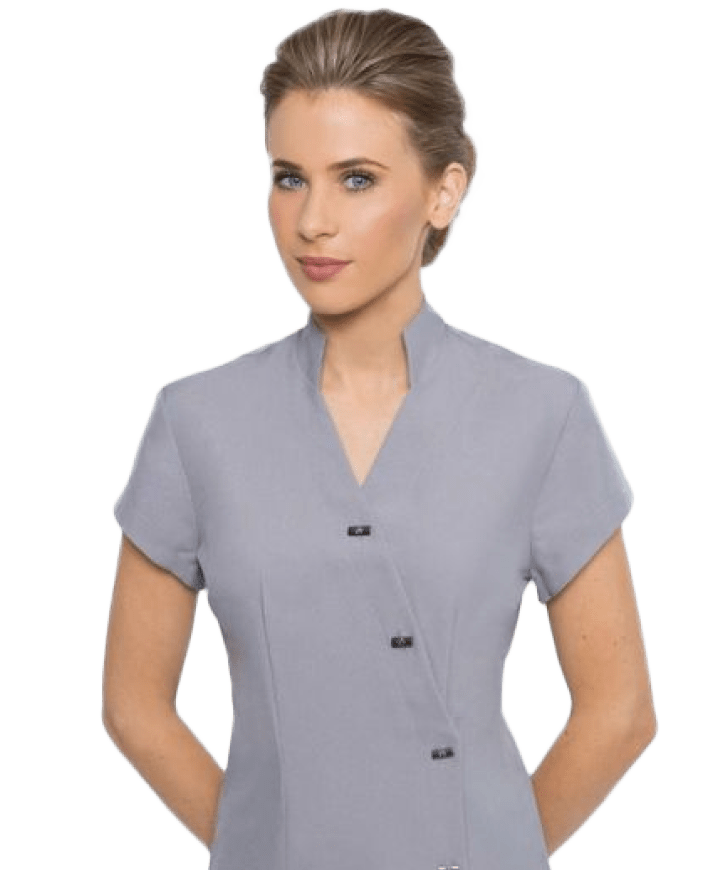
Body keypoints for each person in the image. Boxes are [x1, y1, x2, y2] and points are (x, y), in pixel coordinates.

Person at [101, 5, 659, 869]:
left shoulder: (542, 413)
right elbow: (134, 706)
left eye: (356, 179)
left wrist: (486, 850)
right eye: (289, 177)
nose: (312, 222)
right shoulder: (194, 420)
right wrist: (265, 847)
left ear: (444, 191)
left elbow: (619, 713)